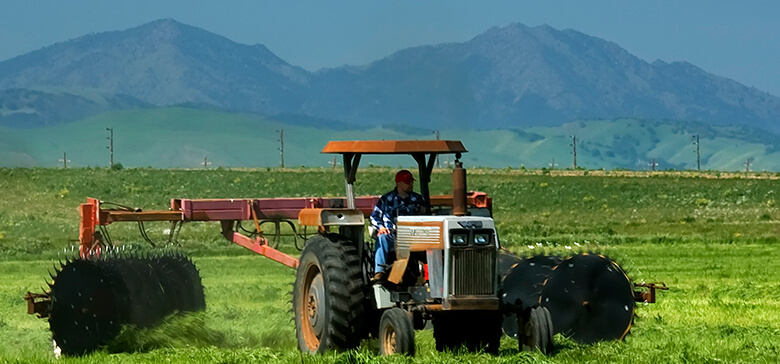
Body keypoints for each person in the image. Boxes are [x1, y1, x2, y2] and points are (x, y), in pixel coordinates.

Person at [370, 169, 425, 282]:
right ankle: (379, 271)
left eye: (411, 182)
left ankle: (427, 274)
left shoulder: (417, 199)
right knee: (382, 238)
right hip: (393, 234)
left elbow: (426, 216)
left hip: (413, 235)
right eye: (408, 182)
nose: (411, 184)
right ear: (399, 183)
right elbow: (374, 216)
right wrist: (381, 227)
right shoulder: (386, 200)